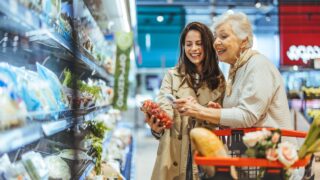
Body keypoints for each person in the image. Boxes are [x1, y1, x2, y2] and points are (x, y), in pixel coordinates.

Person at [174, 12, 294, 130]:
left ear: (244, 41)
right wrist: (219, 113)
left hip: (271, 148)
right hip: (252, 148)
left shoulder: (258, 65)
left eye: (224, 36)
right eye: (215, 37)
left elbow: (248, 116)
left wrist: (199, 110)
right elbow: (241, 118)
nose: (216, 42)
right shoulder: (236, 70)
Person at [144, 22, 225, 180]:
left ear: (208, 46)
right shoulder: (172, 76)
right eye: (188, 44)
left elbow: (223, 121)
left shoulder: (219, 82)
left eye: (199, 44)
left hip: (202, 160)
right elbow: (164, 107)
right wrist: (157, 126)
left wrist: (213, 113)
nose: (193, 49)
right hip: (172, 157)